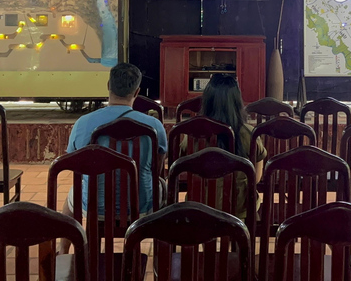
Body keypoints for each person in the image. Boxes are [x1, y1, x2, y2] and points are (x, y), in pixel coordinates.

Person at [60, 63, 167, 252]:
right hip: (142, 206)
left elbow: (74, 165)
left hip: (94, 206)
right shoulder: (154, 125)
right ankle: (162, 250)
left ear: (108, 85)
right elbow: (156, 170)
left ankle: (62, 251)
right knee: (164, 187)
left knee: (73, 194)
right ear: (137, 92)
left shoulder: (83, 123)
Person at [181, 73, 266, 220]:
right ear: (237, 101)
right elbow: (256, 178)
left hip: (199, 207)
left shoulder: (192, 135)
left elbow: (181, 171)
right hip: (240, 210)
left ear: (207, 101)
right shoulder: (250, 134)